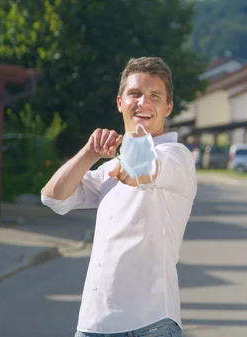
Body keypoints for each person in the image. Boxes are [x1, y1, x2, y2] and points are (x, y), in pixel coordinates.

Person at [40, 57, 197, 337]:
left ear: (168, 107)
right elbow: (53, 197)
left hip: (149, 324)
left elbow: (146, 169)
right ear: (120, 102)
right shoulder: (111, 167)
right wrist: (90, 153)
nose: (143, 103)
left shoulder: (177, 156)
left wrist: (134, 142)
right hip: (92, 324)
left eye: (154, 96)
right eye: (134, 94)